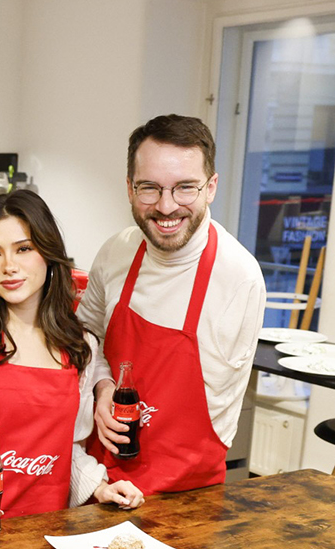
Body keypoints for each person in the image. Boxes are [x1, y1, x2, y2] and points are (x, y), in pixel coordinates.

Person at [0, 190, 144, 535]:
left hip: (48, 536)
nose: (9, 266)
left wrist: (99, 486)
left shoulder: (80, 346)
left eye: (24, 249)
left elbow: (66, 448)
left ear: (48, 254)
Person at [81, 114, 265, 495]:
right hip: (98, 479)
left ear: (211, 187)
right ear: (130, 188)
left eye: (185, 188)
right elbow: (84, 339)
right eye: (150, 188)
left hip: (185, 496)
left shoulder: (238, 278)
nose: (166, 207)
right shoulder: (116, 252)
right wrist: (101, 385)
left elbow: (218, 410)